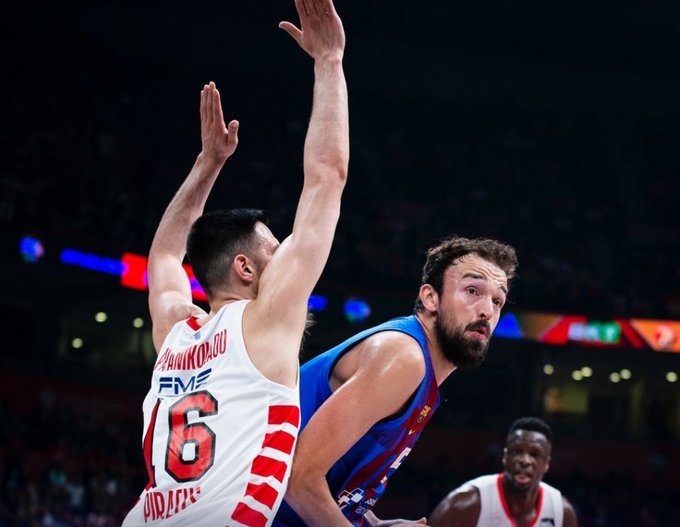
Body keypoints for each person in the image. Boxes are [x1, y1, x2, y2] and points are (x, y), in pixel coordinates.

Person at [122, 1, 348, 525]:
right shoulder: (266, 318)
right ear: (246, 269)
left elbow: (165, 254)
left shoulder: (176, 332)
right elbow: (326, 177)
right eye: (274, 247)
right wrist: (330, 60)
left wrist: (208, 163)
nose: (285, 251)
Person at [274, 237, 518, 526]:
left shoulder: (422, 371)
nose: (487, 311)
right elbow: (299, 479)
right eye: (472, 291)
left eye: (497, 301)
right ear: (431, 298)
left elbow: (338, 480)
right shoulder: (404, 358)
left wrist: (376, 524)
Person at [428, 417, 578, 527]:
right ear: (505, 457)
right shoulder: (465, 504)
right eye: (517, 452)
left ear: (546, 464)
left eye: (534, 454)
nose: (525, 460)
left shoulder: (561, 512)